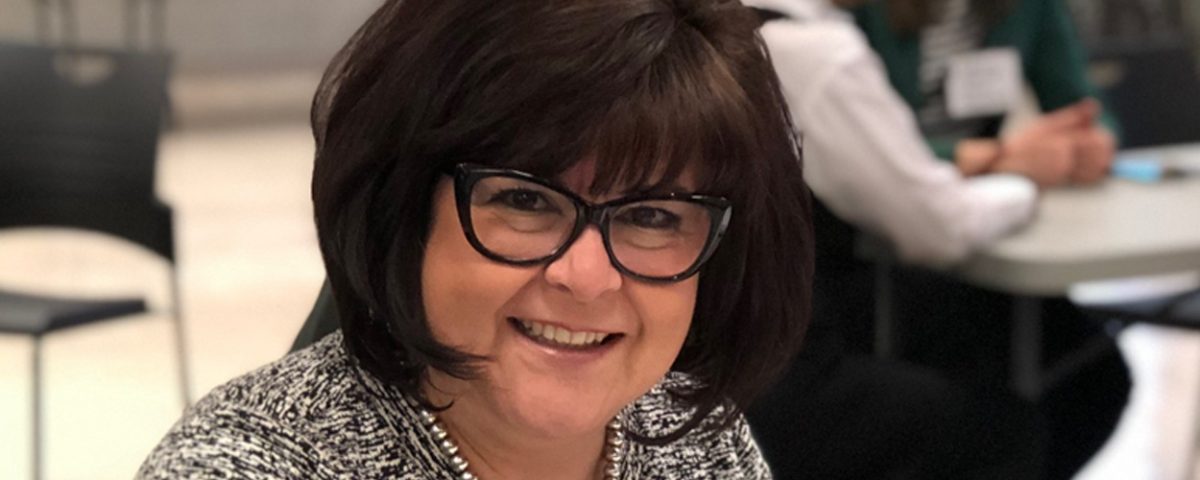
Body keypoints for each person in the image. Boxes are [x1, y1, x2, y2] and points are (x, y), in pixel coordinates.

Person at [136, 0, 814, 479]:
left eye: (654, 216)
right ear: (403, 208)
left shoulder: (696, 444)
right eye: (525, 201)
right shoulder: (242, 468)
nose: (588, 276)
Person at [743, 1, 1047, 478]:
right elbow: (935, 229)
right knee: (1010, 426)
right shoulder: (817, 49)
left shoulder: (724, 22)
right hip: (779, 375)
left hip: (727, 348)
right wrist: (1024, 180)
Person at [846, 1, 1130, 478]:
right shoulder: (852, 13)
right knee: (988, 408)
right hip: (882, 238)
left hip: (989, 232)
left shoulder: (1027, 7)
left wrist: (1086, 145)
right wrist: (990, 157)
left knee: (1094, 378)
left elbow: (1083, 105)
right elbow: (863, 146)